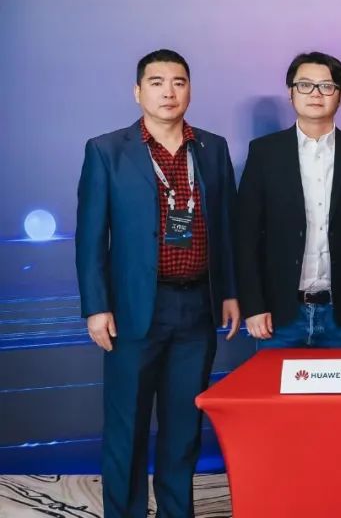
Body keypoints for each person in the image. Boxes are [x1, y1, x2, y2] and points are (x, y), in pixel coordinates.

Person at [76, 49, 240, 518]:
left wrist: (230, 292)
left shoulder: (212, 148)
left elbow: (225, 227)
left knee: (183, 429)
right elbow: (91, 237)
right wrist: (96, 306)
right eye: (157, 82)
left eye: (178, 82)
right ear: (137, 91)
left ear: (190, 90)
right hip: (132, 311)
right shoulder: (107, 150)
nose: (169, 92)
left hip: (196, 308)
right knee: (126, 428)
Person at [235, 52, 341, 347]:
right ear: (290, 92)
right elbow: (246, 235)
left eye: (326, 86)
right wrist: (253, 305)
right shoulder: (264, 153)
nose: (315, 94)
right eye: (305, 85)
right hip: (278, 315)